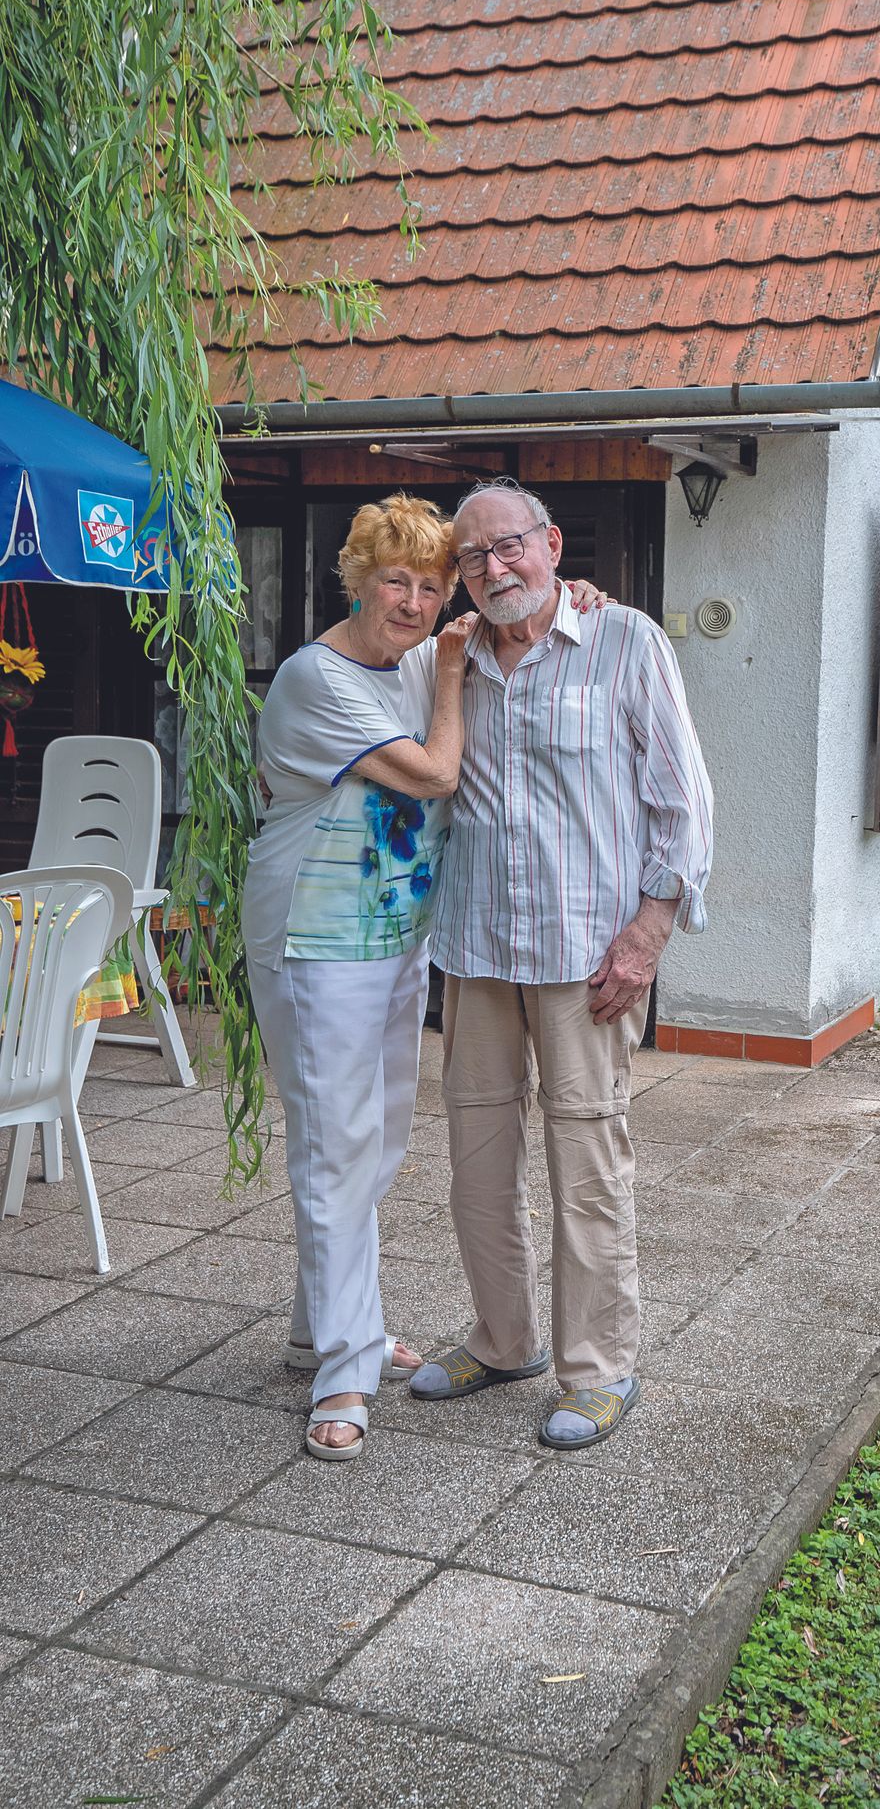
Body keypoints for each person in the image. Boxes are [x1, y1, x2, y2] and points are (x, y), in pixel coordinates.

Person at [410, 478, 713, 1450]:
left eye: (510, 548)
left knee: (588, 1161)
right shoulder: (448, 659)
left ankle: (599, 1367)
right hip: (476, 947)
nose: (493, 568)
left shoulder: (625, 641)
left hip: (588, 955)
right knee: (477, 1160)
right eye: (472, 556)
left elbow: (682, 801)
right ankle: (504, 1338)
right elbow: (368, 661)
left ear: (551, 544)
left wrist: (649, 933)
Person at [242, 493, 468, 1459]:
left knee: (372, 1146)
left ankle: (323, 1329)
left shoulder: (410, 657)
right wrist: (452, 678)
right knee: (335, 1147)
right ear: (357, 579)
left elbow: (498, 625)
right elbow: (430, 775)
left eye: (430, 585)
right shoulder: (315, 677)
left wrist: (564, 589)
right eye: (395, 581)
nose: (413, 603)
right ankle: (344, 1371)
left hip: (391, 937)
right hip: (316, 938)